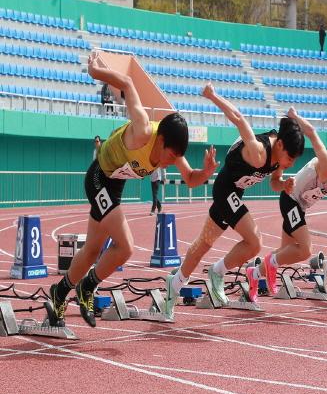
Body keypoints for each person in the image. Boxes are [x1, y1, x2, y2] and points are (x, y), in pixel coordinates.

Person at [45, 51, 218, 328]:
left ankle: (59, 292)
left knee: (91, 250)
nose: (170, 163)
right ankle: (87, 287)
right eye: (169, 157)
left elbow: (191, 179)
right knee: (125, 247)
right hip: (99, 176)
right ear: (160, 139)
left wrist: (206, 173)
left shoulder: (171, 151)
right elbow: (127, 82)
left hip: (114, 186)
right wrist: (96, 72)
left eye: (175, 159)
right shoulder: (143, 129)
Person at [164, 83, 305, 317]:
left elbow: (273, 184)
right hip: (225, 188)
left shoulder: (279, 159)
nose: (290, 163)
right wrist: (212, 95)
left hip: (234, 193)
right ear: (279, 145)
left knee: (204, 243)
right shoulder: (259, 151)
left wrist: (284, 185)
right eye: (289, 158)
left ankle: (175, 283)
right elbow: (239, 119)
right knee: (255, 241)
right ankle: (217, 272)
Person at [246, 107, 327, 301]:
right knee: (305, 249)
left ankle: (254, 274)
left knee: (285, 253)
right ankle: (270, 263)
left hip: (300, 207)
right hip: (289, 199)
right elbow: (312, 134)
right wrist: (295, 116)